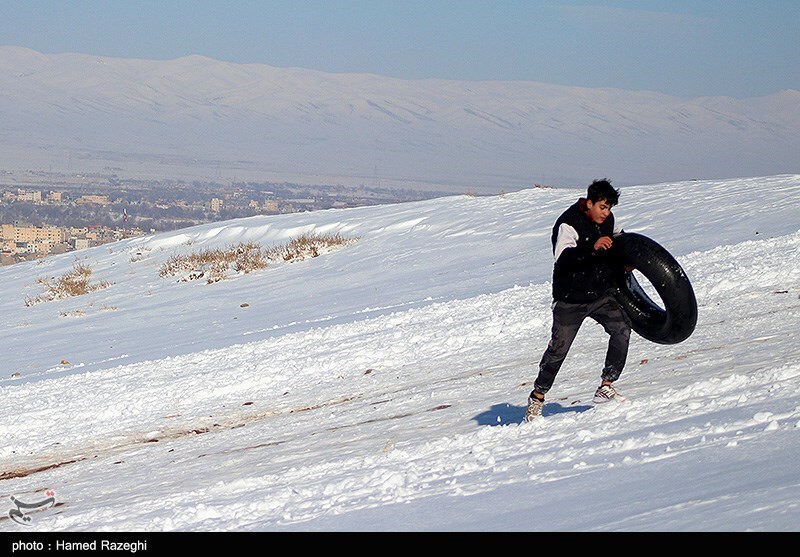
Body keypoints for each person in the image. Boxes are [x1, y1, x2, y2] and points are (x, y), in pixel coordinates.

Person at [524, 179, 631, 422]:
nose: (607, 213)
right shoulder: (568, 223)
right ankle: (537, 398)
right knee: (558, 350)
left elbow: (622, 241)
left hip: (600, 294)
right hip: (570, 299)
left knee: (622, 328)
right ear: (589, 203)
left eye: (610, 208)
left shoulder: (609, 221)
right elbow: (563, 257)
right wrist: (593, 247)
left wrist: (627, 261)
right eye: (602, 207)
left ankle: (606, 386)